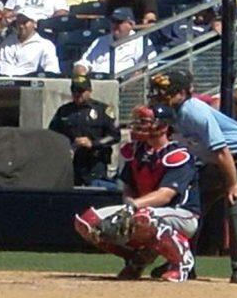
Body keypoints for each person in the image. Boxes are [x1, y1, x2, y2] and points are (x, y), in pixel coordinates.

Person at [148, 70, 237, 284]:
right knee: (190, 207)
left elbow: (222, 150)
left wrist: (232, 184)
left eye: (168, 92)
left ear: (184, 93)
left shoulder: (193, 111)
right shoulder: (169, 112)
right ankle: (182, 262)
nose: (161, 96)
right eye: (159, 92)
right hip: (217, 162)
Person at [73, 103, 199, 282]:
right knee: (87, 222)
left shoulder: (178, 154)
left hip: (182, 214)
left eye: (147, 122)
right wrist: (128, 205)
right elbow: (128, 188)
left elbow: (166, 195)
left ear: (164, 126)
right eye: (140, 121)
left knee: (145, 216)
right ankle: (137, 258)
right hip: (141, 210)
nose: (141, 125)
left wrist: (132, 206)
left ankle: (181, 262)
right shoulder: (137, 152)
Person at [49, 75, 120, 187]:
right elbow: (52, 134)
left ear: (89, 91)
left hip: (95, 163)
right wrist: (67, 146)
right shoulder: (64, 111)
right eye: (74, 91)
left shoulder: (103, 110)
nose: (77, 94)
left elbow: (114, 135)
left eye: (81, 91)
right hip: (72, 164)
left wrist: (93, 143)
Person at [75, 8, 156, 76]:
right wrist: (80, 70)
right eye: (113, 21)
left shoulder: (141, 42)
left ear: (131, 24)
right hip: (97, 82)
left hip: (124, 86)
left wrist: (134, 78)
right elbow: (84, 62)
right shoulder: (100, 41)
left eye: (119, 22)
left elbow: (149, 65)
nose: (115, 25)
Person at [0, 9, 60, 77]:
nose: (21, 26)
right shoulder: (7, 43)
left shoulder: (46, 45)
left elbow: (52, 71)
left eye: (24, 22)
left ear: (34, 24)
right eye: (19, 22)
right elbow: (3, 68)